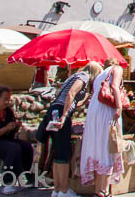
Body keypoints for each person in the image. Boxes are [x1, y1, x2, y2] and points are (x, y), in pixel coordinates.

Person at [39, 62, 102, 197]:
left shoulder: (74, 76)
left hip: (54, 110)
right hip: (61, 112)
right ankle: (64, 190)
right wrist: (65, 116)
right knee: (64, 154)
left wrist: (83, 101)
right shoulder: (83, 77)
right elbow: (70, 94)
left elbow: (70, 99)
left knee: (58, 153)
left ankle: (57, 189)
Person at [81, 62, 126, 194]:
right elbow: (114, 86)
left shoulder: (100, 76)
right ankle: (104, 191)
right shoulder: (116, 69)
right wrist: (119, 107)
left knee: (98, 150)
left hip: (94, 113)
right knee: (108, 148)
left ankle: (98, 190)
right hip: (105, 111)